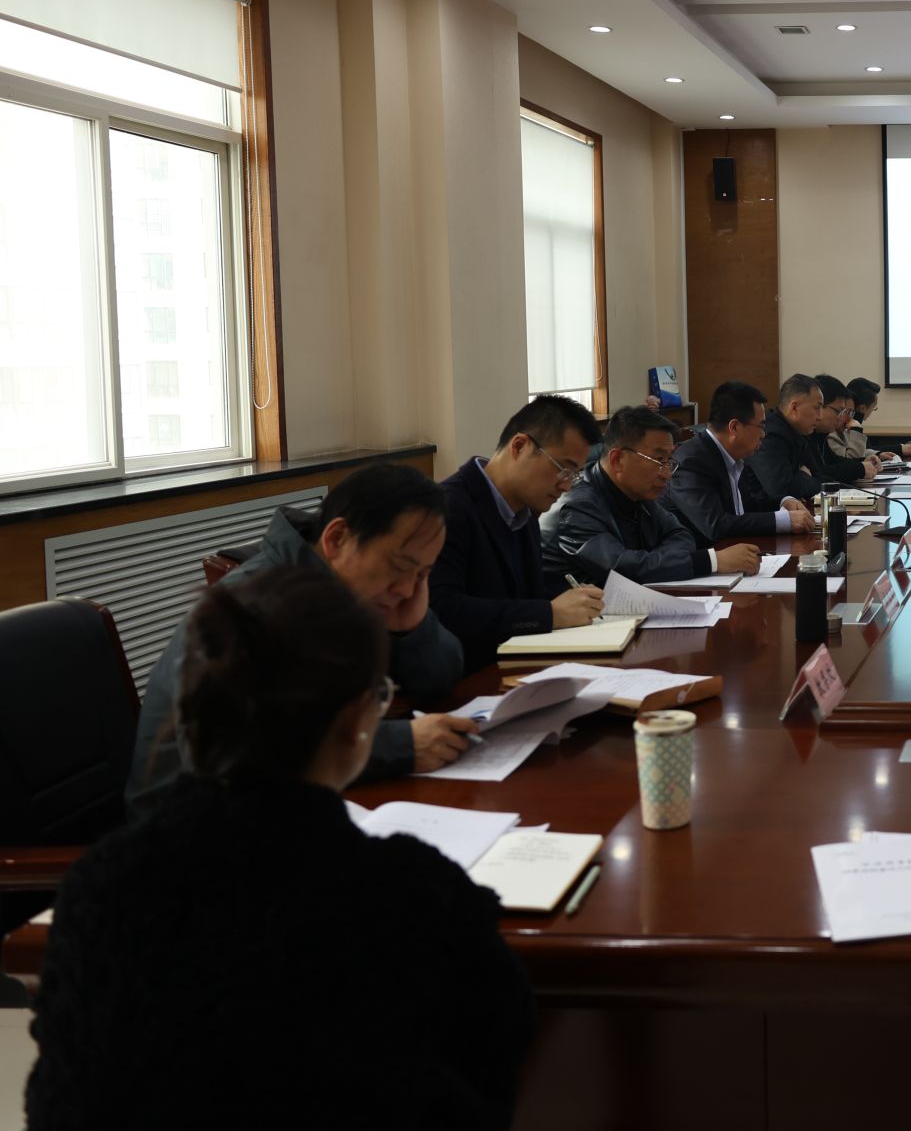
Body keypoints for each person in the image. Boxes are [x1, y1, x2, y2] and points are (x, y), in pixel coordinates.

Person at [32, 568, 533, 1129]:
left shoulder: (98, 886)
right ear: (357, 722)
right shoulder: (410, 894)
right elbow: (497, 1059)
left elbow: (59, 1097)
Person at [128, 465, 471, 812]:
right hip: (188, 820)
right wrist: (402, 745)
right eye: (400, 566)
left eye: (423, 574)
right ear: (337, 539)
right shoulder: (258, 606)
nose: (408, 589)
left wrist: (411, 630)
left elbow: (442, 676)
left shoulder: (357, 591)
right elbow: (244, 749)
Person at [430, 394, 607, 673]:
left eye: (573, 476)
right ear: (520, 446)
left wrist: (573, 602)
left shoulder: (525, 512)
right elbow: (443, 610)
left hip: (520, 669)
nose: (566, 486)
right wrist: (549, 613)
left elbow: (523, 598)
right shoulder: (445, 508)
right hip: (469, 677)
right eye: (563, 469)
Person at [541, 406, 760, 587]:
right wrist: (712, 560)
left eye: (669, 461)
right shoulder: (576, 507)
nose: (666, 474)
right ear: (617, 460)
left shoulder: (638, 491)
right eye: (659, 460)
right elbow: (621, 569)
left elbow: (680, 535)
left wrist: (652, 564)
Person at [670, 379, 817, 544]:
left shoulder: (737, 456)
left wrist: (784, 502)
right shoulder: (691, 462)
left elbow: (751, 503)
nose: (763, 435)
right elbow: (716, 525)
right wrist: (783, 521)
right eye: (761, 427)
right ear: (734, 427)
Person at [751, 374, 830, 502]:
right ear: (794, 408)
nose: (820, 416)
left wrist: (800, 477)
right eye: (817, 408)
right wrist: (804, 476)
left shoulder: (797, 432)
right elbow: (781, 488)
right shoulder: (770, 434)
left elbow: (818, 477)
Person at [811, 374, 880, 485]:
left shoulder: (820, 434)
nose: (840, 417)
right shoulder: (804, 434)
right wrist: (859, 468)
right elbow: (816, 473)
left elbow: (834, 462)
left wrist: (861, 464)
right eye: (839, 411)